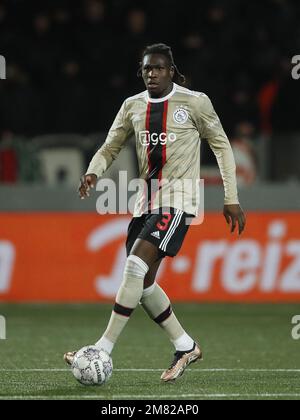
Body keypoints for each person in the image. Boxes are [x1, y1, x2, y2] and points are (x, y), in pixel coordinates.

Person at [64, 43, 246, 382]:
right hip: (144, 201)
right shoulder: (132, 106)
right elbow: (110, 146)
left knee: (134, 266)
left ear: (171, 71)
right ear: (141, 72)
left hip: (179, 200)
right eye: (147, 68)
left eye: (159, 68)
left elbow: (221, 145)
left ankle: (102, 348)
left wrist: (230, 196)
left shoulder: (194, 102)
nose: (153, 73)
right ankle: (185, 345)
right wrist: (93, 171)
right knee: (144, 283)